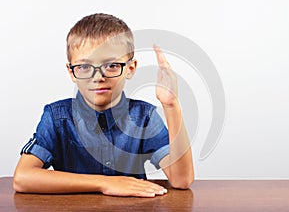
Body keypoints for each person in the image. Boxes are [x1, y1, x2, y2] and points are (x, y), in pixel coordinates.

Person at [13, 13, 194, 197]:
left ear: (130, 68)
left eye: (111, 65)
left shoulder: (144, 116)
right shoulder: (56, 117)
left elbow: (182, 180)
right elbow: (23, 177)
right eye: (84, 67)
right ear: (71, 72)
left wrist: (171, 105)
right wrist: (106, 183)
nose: (98, 77)